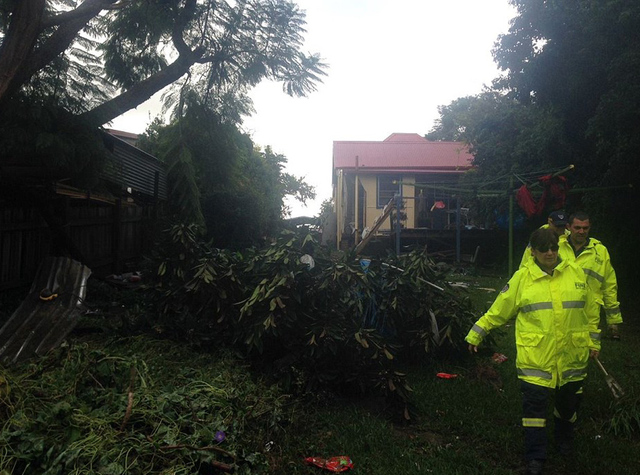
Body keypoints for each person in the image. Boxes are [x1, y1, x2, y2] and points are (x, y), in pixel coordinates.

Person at [466, 228, 600, 475]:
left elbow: (590, 310)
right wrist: (478, 332)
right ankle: (535, 457)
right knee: (535, 410)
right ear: (533, 252)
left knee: (569, 404)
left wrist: (594, 342)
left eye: (553, 247)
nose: (549, 253)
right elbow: (500, 309)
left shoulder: (576, 273)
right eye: (543, 249)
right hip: (537, 358)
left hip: (573, 356)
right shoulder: (523, 278)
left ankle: (564, 440)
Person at [560, 211, 623, 338]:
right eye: (577, 228)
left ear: (590, 228)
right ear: (568, 227)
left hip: (589, 311)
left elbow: (609, 285)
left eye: (585, 228)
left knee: (589, 348)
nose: (581, 231)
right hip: (561, 308)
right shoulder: (556, 248)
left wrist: (613, 321)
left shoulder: (600, 251)